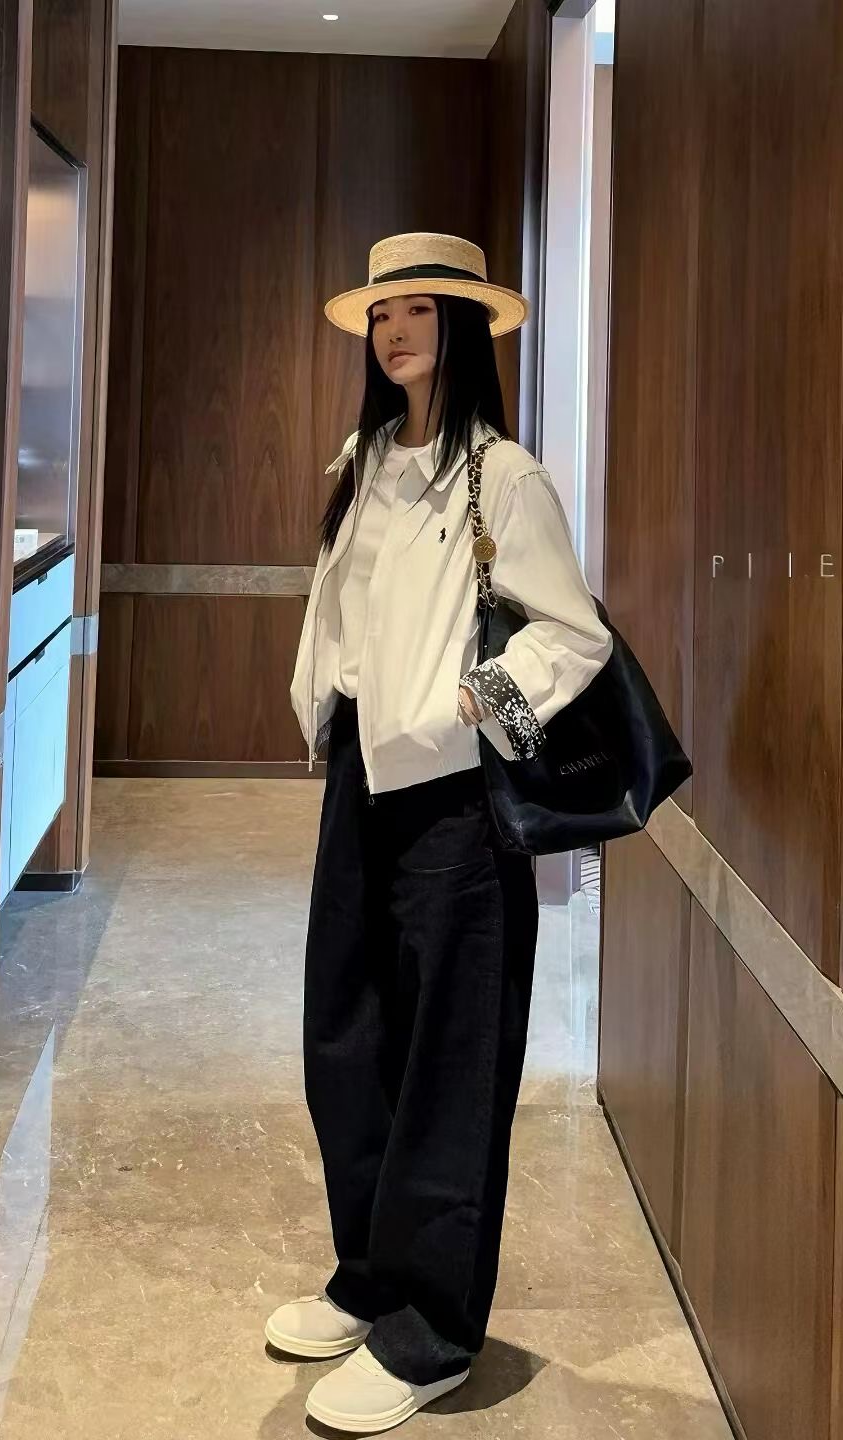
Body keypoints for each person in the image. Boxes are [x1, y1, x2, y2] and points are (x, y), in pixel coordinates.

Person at [266, 232, 613, 1433]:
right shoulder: (364, 461)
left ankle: (433, 1329)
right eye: (383, 313)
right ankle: (370, 1278)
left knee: (449, 1065)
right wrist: (328, 709)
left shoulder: (502, 477)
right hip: (359, 787)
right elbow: (340, 611)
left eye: (419, 309)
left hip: (458, 802)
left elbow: (573, 634)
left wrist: (478, 705)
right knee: (346, 1035)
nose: (396, 331)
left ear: (463, 326)